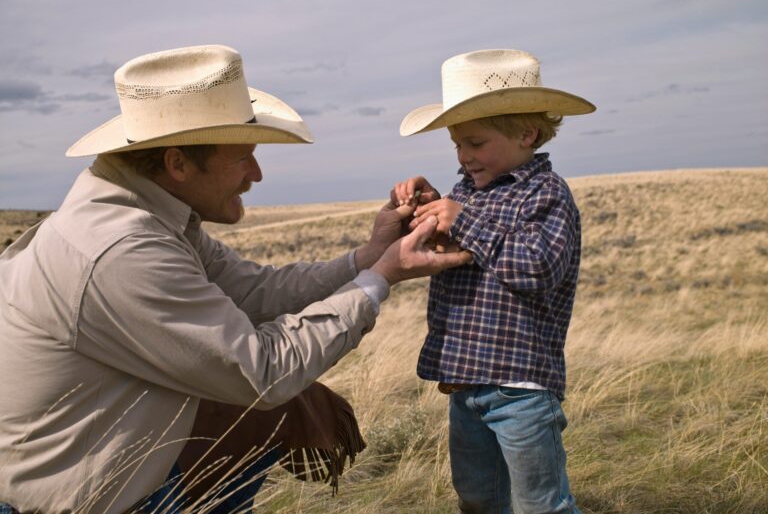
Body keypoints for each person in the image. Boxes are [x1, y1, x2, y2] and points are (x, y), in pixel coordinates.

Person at [0, 44, 471, 514]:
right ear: (177, 163)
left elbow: (254, 290)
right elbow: (261, 372)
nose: (258, 173)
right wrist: (383, 276)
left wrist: (369, 256)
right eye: (243, 156)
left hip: (112, 474)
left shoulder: (148, 217)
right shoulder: (124, 250)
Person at [390, 49, 596, 514]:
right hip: (465, 381)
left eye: (475, 143)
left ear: (527, 134)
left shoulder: (546, 192)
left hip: (520, 388)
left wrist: (462, 220)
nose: (463, 156)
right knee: (479, 498)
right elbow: (459, 253)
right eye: (457, 145)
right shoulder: (466, 190)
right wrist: (428, 211)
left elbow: (537, 268)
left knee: (540, 505)